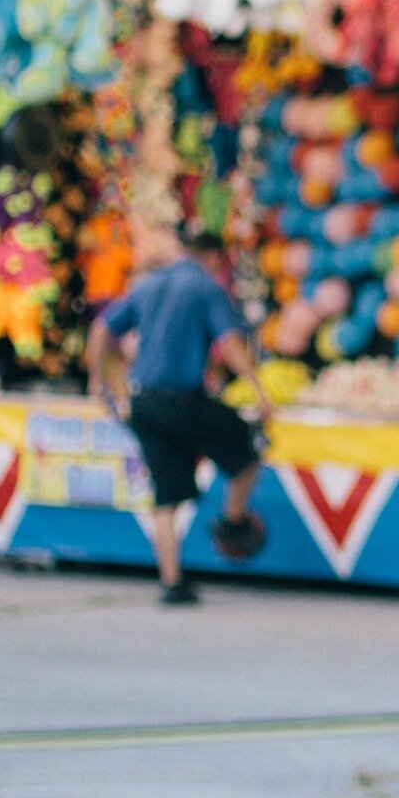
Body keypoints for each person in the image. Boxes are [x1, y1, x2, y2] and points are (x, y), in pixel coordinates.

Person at [86, 220, 269, 603]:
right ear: (214, 257)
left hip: (143, 403)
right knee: (249, 448)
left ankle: (172, 583)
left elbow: (102, 329)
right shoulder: (206, 287)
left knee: (166, 496)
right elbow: (230, 343)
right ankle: (233, 522)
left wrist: (98, 380)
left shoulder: (147, 284)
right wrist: (257, 389)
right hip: (183, 401)